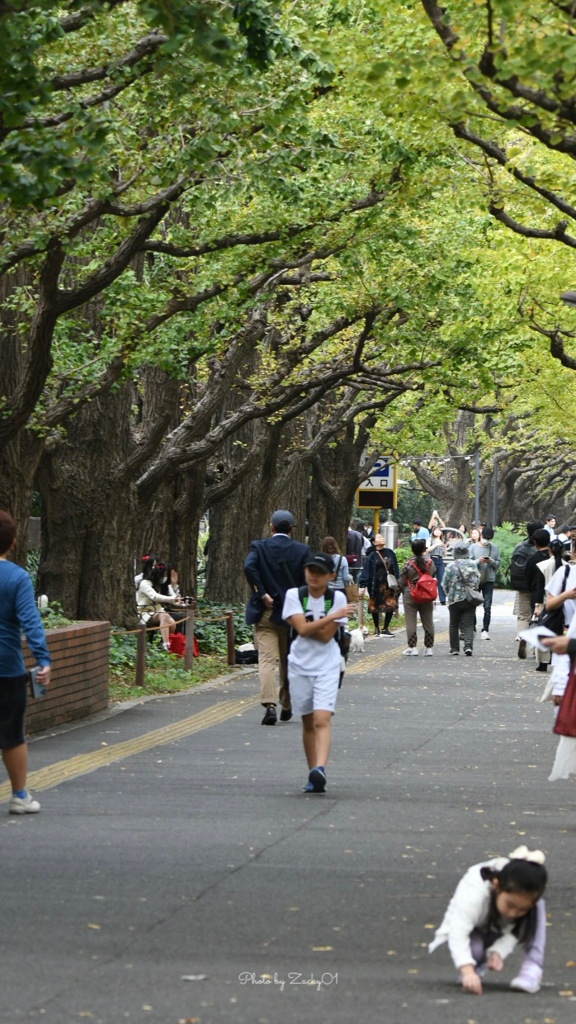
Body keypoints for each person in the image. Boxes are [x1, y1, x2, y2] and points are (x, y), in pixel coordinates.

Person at [428, 846, 547, 996]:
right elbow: (458, 933)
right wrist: (467, 971)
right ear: (496, 886)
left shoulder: (521, 899)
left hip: (493, 926)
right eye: (510, 905)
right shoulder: (473, 895)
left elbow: (516, 930)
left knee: (538, 907)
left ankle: (532, 966)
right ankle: (476, 965)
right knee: (474, 950)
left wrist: (497, 952)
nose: (513, 913)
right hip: (473, 928)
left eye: (522, 909)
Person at [282, 553, 354, 794]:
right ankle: (312, 772)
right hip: (299, 665)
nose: (313, 575)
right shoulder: (295, 595)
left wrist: (312, 623)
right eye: (310, 570)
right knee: (307, 721)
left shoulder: (337, 596)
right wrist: (332, 616)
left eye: (320, 571)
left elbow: (324, 637)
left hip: (328, 665)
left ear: (331, 576)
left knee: (321, 719)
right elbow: (301, 629)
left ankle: (320, 768)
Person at [0, 510, 51, 814]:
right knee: (11, 734)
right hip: (7, 668)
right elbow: (31, 623)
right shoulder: (17, 577)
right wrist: (43, 659)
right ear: (14, 541)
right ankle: (20, 796)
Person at [244, 510, 310, 725]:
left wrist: (261, 592)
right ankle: (287, 704)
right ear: (293, 529)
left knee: (266, 660)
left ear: (271, 527)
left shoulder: (259, 547)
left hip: (266, 611)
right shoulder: (302, 551)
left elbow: (248, 567)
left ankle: (269, 704)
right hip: (292, 615)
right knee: (289, 661)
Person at [510, 521, 544, 659]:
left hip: (523, 586)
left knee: (523, 615)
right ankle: (537, 647)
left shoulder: (519, 546)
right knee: (540, 616)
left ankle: (523, 636)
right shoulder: (542, 550)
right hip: (540, 588)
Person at [398, 539, 436, 655]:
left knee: (411, 622)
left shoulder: (408, 564)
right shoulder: (430, 562)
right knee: (428, 621)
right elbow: (433, 574)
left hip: (411, 594)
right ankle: (429, 648)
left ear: (412, 550)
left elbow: (402, 581)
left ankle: (412, 648)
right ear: (424, 549)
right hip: (427, 593)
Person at [442, 541, 480, 656]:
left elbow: (444, 584)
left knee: (454, 624)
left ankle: (454, 648)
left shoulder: (450, 566)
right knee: (468, 624)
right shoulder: (472, 564)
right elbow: (477, 580)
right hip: (469, 599)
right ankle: (468, 647)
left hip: (454, 599)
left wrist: (449, 594)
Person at [358, 534, 399, 637]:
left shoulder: (390, 552)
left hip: (388, 584)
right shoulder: (372, 555)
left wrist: (398, 580)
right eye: (379, 537)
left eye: (382, 537)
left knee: (390, 605)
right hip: (375, 584)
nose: (382, 538)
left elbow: (395, 567)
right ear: (374, 542)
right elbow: (366, 570)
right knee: (375, 606)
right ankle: (376, 628)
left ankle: (385, 628)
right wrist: (363, 584)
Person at [136, 557, 181, 650]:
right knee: (164, 616)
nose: (165, 577)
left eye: (166, 575)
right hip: (144, 612)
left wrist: (183, 600)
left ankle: (168, 643)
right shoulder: (145, 583)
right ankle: (166, 644)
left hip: (157, 611)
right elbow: (155, 596)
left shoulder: (164, 585)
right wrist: (173, 599)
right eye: (163, 574)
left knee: (172, 622)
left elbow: (175, 599)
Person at [525, 529, 552, 672]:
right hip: (557, 597)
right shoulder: (557, 559)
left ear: (535, 543)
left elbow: (528, 580)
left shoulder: (532, 559)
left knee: (540, 627)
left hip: (537, 597)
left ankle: (542, 659)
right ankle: (555, 654)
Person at [469, 525, 501, 641]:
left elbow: (498, 565)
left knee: (487, 607)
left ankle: (485, 630)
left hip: (489, 580)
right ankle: (472, 628)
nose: (486, 541)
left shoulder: (495, 548)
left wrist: (491, 561)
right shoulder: (472, 547)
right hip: (475, 579)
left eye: (489, 539)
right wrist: (478, 561)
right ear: (481, 535)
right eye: (485, 538)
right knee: (472, 605)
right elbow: (468, 563)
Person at [427, 524, 447, 604]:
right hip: (432, 560)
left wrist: (444, 547)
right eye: (436, 530)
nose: (438, 532)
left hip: (440, 560)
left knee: (441, 580)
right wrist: (436, 545)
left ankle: (442, 599)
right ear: (433, 531)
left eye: (439, 531)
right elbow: (427, 549)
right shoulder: (430, 539)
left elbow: (444, 554)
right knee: (430, 579)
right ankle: (428, 597)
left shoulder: (442, 540)